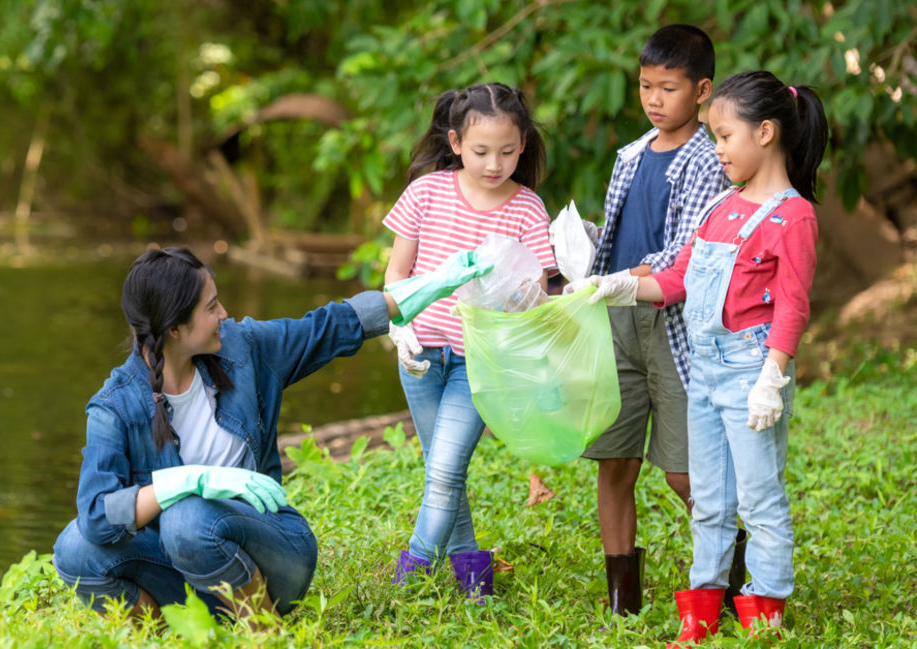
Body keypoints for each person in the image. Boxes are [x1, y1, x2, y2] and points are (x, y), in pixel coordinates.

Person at [51, 246, 490, 623]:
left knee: (187, 521)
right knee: (72, 548)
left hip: (273, 557)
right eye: (210, 307)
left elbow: (335, 324)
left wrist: (435, 283)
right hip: (183, 570)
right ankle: (169, 632)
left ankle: (263, 632)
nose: (223, 313)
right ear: (174, 329)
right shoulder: (115, 406)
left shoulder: (246, 349)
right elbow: (96, 515)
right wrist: (186, 481)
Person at [571, 70, 829, 645]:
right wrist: (612, 287)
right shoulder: (721, 206)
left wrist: (772, 376)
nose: (716, 150)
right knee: (709, 499)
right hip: (707, 371)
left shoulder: (795, 216)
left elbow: (792, 305)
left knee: (760, 497)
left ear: (765, 133)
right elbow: (678, 279)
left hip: (750, 370)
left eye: (723, 136)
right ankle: (701, 617)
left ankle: (765, 613)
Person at [383, 82, 556, 603]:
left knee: (443, 469)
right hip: (419, 356)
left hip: (479, 362)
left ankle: (405, 578)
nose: (494, 164)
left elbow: (538, 294)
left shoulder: (527, 208)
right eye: (481, 151)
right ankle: (474, 578)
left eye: (507, 151)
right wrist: (399, 327)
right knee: (444, 468)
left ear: (523, 144)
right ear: (456, 142)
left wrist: (529, 296)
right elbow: (397, 273)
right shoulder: (425, 193)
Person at [579, 24, 729, 618]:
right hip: (617, 321)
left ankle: (729, 571)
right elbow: (614, 240)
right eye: (645, 86)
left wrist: (628, 275)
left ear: (702, 90)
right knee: (615, 463)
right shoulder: (631, 155)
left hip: (672, 327)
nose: (653, 99)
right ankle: (623, 601)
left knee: (683, 473)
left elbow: (687, 251)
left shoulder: (706, 160)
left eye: (667, 88)